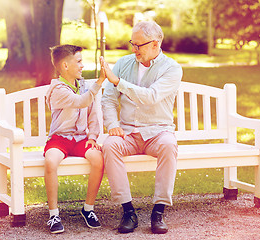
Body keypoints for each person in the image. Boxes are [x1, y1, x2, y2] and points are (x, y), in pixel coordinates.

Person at [100, 21, 183, 234]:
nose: (134, 50)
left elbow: (150, 97)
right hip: (127, 132)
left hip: (157, 132)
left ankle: (158, 212)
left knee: (168, 145)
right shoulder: (123, 63)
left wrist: (119, 82)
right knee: (109, 146)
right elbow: (108, 98)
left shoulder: (172, 69)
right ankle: (128, 211)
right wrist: (112, 125)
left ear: (155, 44)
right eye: (132, 44)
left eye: (139, 45)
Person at [44, 44, 105, 234]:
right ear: (65, 66)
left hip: (80, 138)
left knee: (98, 159)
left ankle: (88, 209)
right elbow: (81, 101)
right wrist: (100, 82)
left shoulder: (84, 86)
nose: (82, 65)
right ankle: (54, 214)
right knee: (50, 161)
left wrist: (93, 137)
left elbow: (93, 113)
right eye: (78, 61)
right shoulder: (58, 90)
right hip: (59, 139)